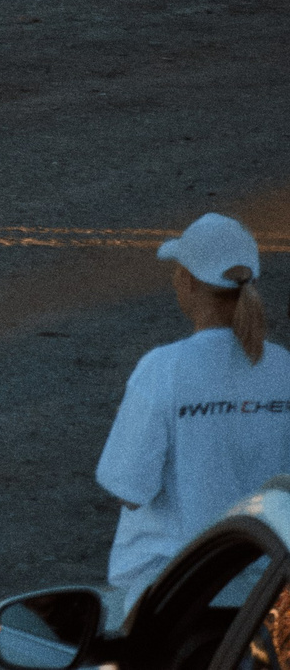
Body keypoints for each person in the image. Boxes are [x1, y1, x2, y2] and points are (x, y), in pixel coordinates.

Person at [95, 212, 289, 618]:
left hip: (176, 593)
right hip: (267, 592)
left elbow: (130, 489)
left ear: (188, 281)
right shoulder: (284, 369)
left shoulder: (163, 369)